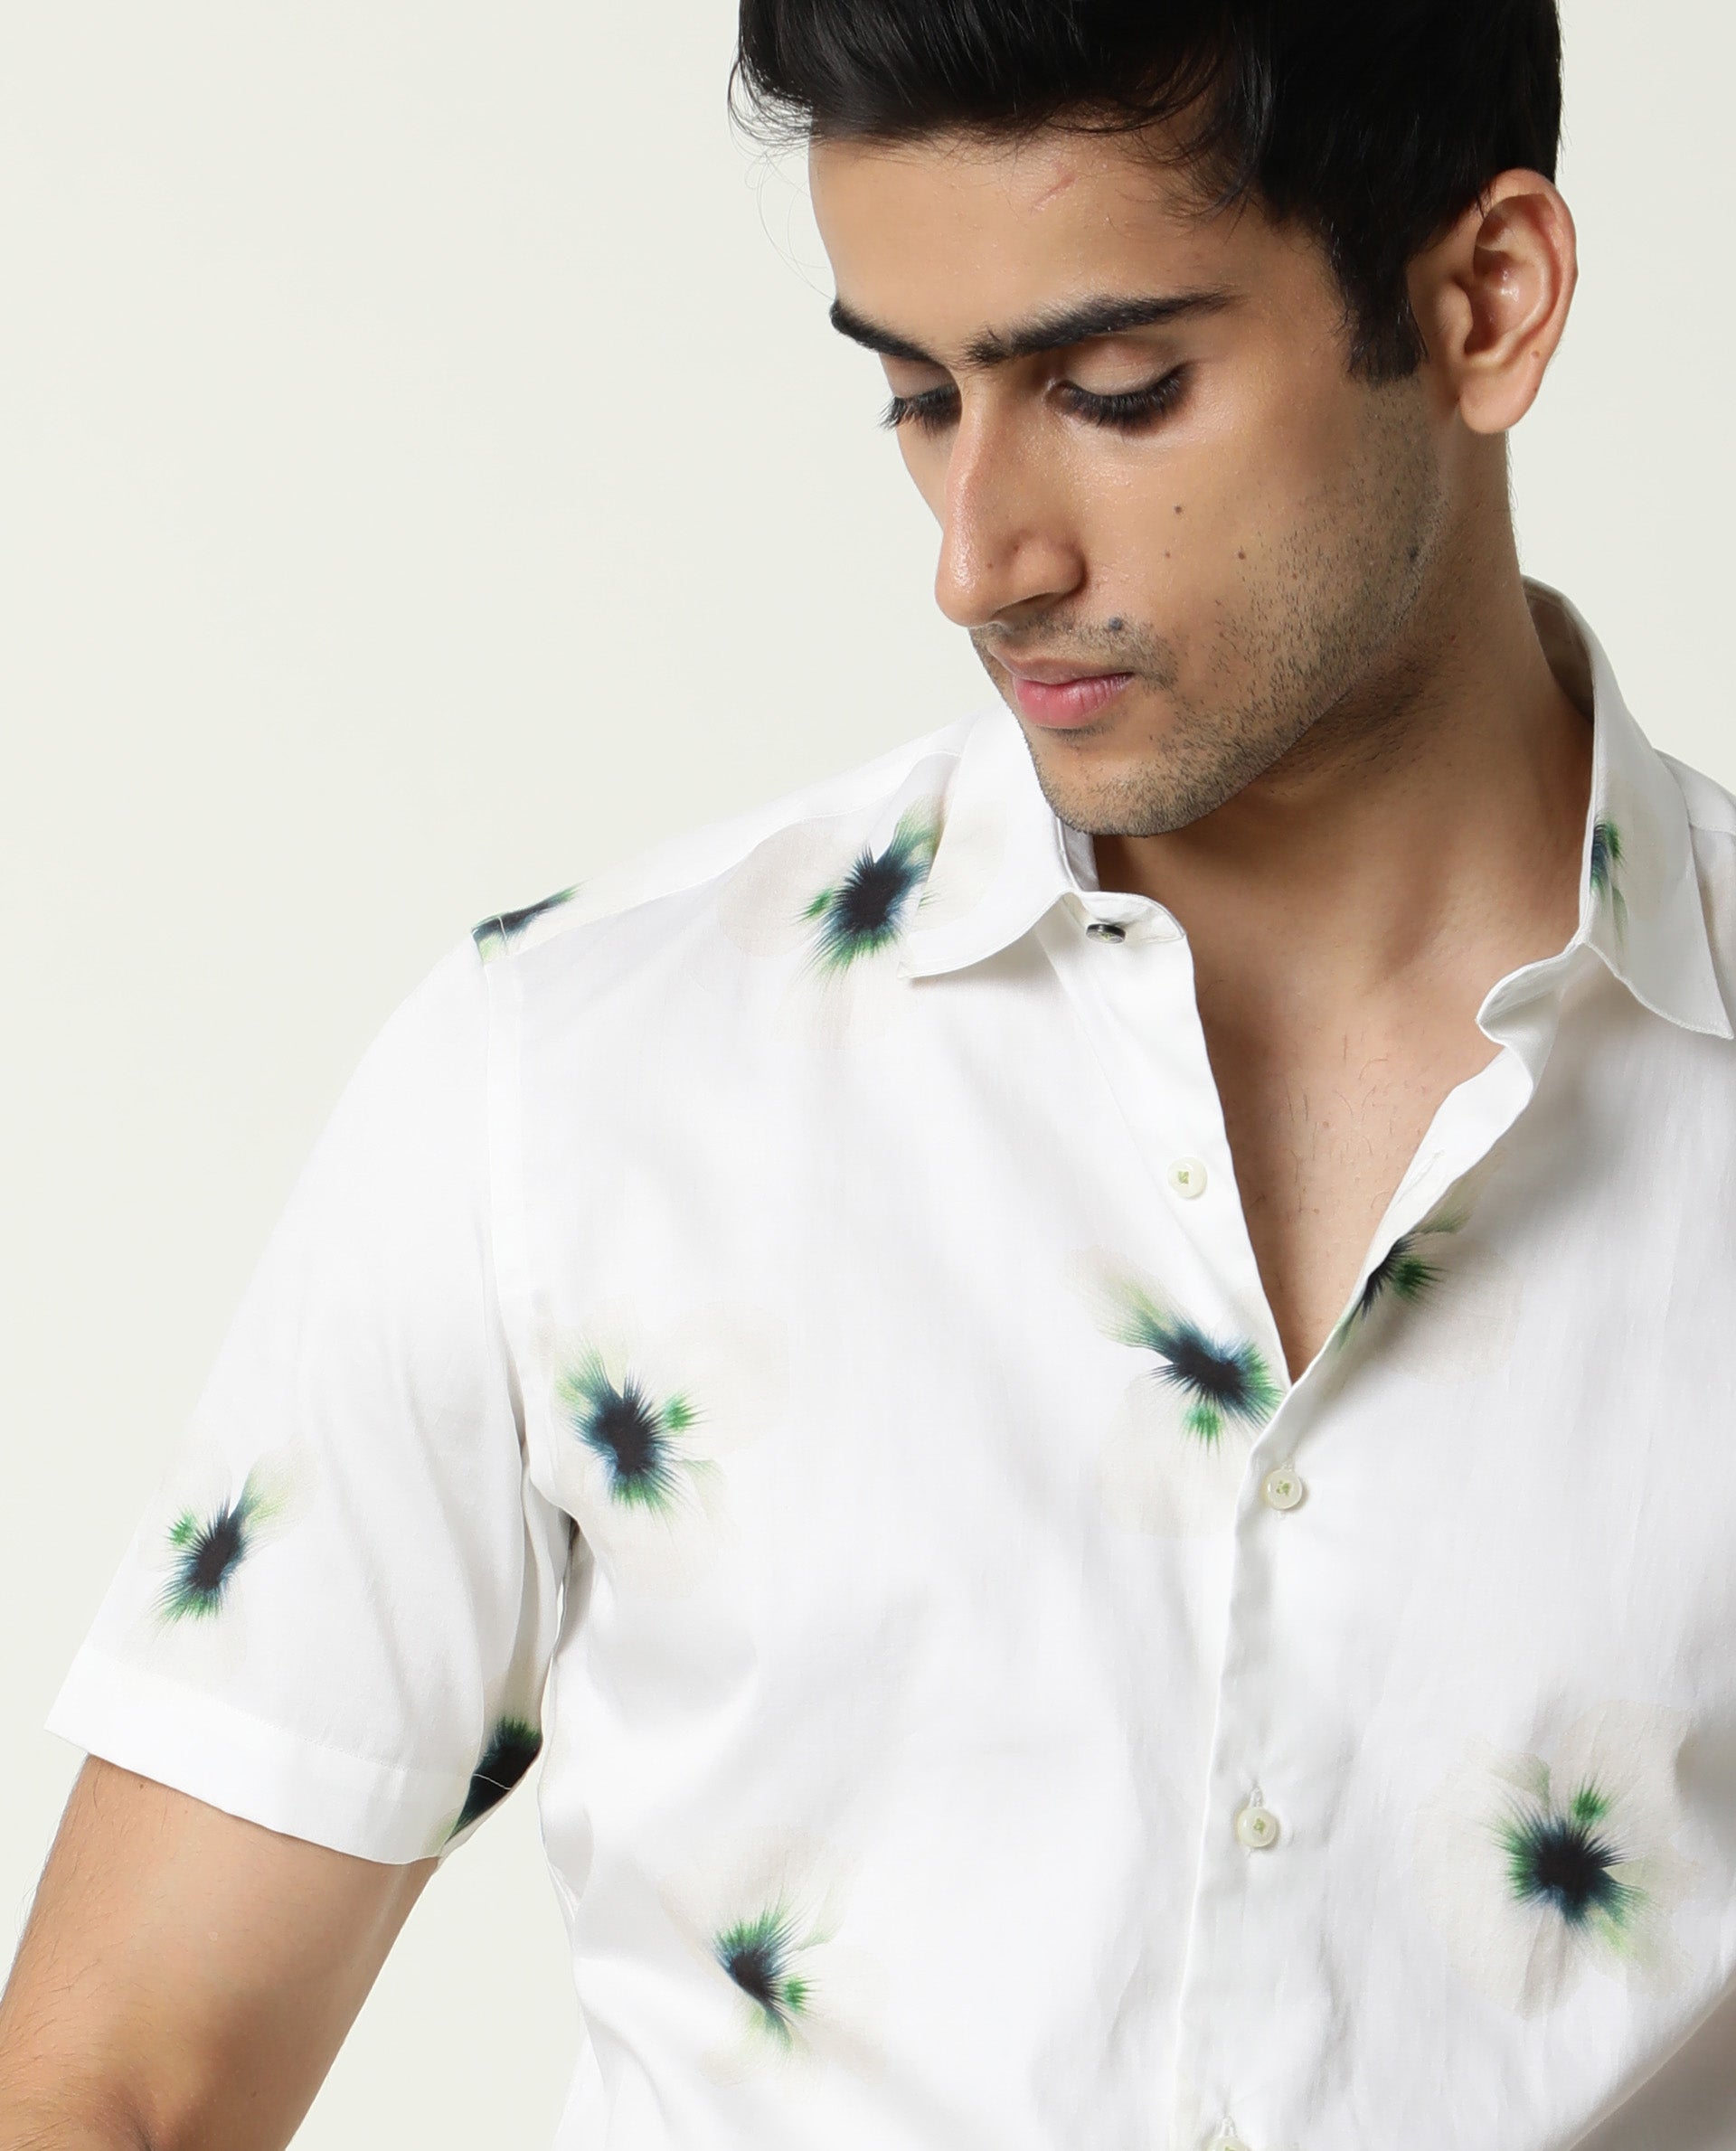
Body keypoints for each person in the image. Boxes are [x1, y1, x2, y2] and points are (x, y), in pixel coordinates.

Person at [4, 3, 1732, 2146]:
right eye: (919, 397)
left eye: (1116, 389)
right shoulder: (572, 1082)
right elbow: (118, 2080)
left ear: (1488, 300)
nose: (981, 558)